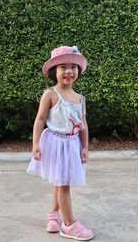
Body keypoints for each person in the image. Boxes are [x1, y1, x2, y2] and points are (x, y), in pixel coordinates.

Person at [27, 46, 95, 241]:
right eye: (62, 67)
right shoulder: (50, 94)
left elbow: (83, 125)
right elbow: (40, 120)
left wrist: (84, 147)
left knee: (60, 181)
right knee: (63, 184)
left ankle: (54, 214)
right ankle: (69, 225)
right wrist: (36, 143)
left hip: (71, 145)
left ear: (78, 71)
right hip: (54, 144)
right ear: (53, 72)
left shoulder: (80, 99)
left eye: (73, 67)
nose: (68, 71)